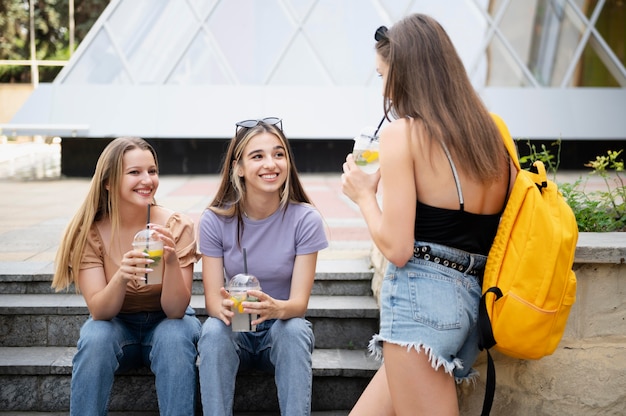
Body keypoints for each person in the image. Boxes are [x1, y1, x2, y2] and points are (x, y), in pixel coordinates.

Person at [341, 14, 513, 416]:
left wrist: (365, 196)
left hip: (422, 299)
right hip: (471, 300)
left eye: (383, 74)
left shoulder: (402, 134)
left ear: (403, 75)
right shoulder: (491, 136)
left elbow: (398, 249)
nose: (382, 86)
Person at [52, 137, 202, 416]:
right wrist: (121, 276)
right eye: (135, 172)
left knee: (174, 335)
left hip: (166, 321)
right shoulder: (90, 233)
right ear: (108, 182)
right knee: (95, 336)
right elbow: (100, 311)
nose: (147, 180)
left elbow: (175, 310)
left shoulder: (175, 225)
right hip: (116, 323)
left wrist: (170, 260)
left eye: (152, 171)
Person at [197, 117, 328, 416]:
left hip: (280, 330)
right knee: (213, 332)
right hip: (237, 328)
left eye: (278, 154)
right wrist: (226, 307)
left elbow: (298, 305)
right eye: (258, 156)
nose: (271, 163)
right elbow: (213, 303)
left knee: (294, 330)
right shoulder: (215, 221)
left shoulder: (305, 220)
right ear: (239, 168)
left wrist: (273, 309)